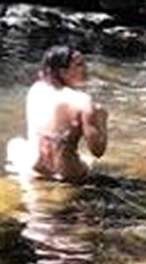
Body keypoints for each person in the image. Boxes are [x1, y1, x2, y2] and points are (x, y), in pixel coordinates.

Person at [7, 46, 107, 183]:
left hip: (35, 168)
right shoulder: (83, 102)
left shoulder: (36, 89)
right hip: (67, 174)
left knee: (15, 143)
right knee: (90, 162)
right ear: (63, 72)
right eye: (79, 65)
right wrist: (101, 119)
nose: (86, 69)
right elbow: (98, 151)